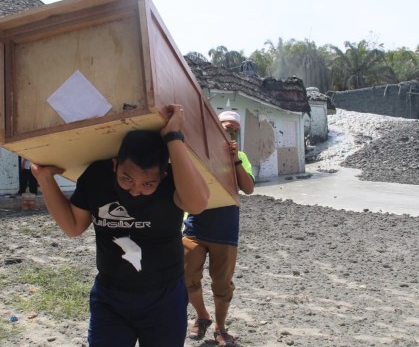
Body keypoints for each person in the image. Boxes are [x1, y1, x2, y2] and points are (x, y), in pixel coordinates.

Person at [31, 104, 209, 346]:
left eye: (148, 183)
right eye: (127, 178)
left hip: (164, 298)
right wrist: (44, 178)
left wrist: (173, 137)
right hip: (111, 297)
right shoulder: (97, 176)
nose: (136, 189)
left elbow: (197, 204)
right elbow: (73, 227)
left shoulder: (173, 181)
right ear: (115, 164)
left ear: (162, 177)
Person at [183, 110, 255, 347]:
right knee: (188, 276)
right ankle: (202, 315)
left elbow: (248, 188)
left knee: (222, 284)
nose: (229, 132)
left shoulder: (241, 157)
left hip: (225, 230)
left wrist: (234, 159)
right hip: (194, 224)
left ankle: (220, 327)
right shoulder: (200, 152)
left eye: (234, 129)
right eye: (225, 127)